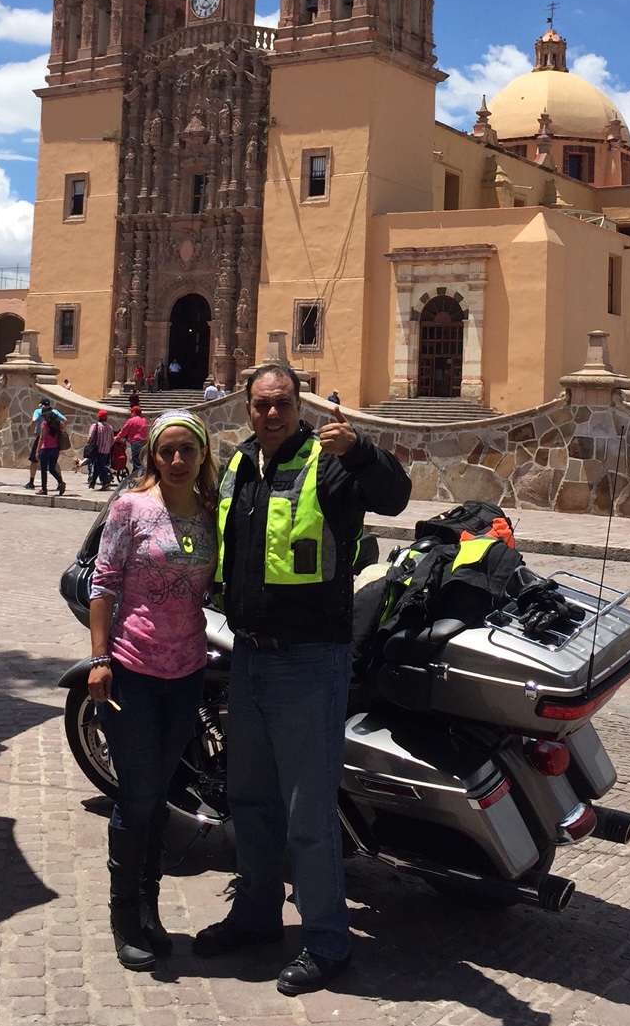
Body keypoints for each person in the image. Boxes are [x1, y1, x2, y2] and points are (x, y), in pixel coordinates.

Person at [194, 362, 411, 994]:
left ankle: (327, 941)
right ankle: (257, 916)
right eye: (260, 405)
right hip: (249, 656)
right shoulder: (240, 466)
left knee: (308, 811)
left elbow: (394, 495)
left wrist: (365, 449)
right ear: (246, 407)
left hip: (310, 661)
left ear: (299, 404)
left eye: (281, 403)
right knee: (251, 801)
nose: (271, 414)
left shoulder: (330, 459)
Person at [87, 409, 218, 970]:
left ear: (203, 454)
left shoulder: (215, 514)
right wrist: (98, 658)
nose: (178, 460)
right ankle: (124, 918)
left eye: (188, 450)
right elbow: (105, 580)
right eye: (168, 451)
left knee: (161, 793)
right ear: (152, 455)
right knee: (138, 793)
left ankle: (150, 910)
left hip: (186, 672)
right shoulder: (131, 507)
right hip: (133, 668)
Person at [37, 404, 67, 495]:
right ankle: (60, 481)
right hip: (55, 449)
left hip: (45, 449)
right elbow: (63, 426)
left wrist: (37, 450)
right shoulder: (57, 423)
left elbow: (42, 438)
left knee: (43, 469)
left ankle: (44, 489)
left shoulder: (44, 424)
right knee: (52, 468)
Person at [115, 406, 151, 475]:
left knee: (137, 463)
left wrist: (117, 438)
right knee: (140, 461)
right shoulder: (144, 420)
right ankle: (133, 477)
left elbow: (124, 431)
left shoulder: (131, 421)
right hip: (144, 442)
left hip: (136, 442)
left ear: (134, 412)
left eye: (131, 412)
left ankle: (142, 478)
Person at [86, 409, 115, 490]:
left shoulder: (95, 426)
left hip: (97, 449)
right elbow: (112, 440)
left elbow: (90, 437)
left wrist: (88, 444)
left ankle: (105, 481)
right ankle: (92, 483)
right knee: (97, 465)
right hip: (106, 450)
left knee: (100, 466)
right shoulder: (110, 427)